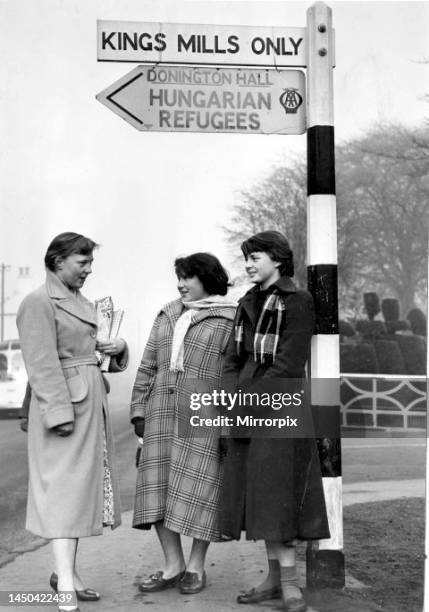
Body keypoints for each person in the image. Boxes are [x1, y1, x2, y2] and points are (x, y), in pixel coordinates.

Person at [16, 232, 128, 612]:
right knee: (64, 491)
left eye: (90, 262)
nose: (88, 270)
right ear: (58, 260)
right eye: (82, 263)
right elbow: (42, 364)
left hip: (86, 401)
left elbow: (89, 352)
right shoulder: (38, 302)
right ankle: (64, 580)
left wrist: (119, 348)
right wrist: (59, 413)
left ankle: (70, 575)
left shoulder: (79, 301)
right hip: (64, 406)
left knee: (78, 491)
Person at [219, 231, 330, 612]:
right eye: (247, 258)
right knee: (262, 496)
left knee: (280, 493)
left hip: (279, 404)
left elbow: (288, 361)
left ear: (278, 260)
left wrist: (249, 400)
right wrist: (231, 396)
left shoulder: (297, 301)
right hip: (247, 404)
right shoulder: (247, 301)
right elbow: (232, 358)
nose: (249, 264)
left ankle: (291, 585)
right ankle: (273, 579)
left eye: (256, 257)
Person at [130, 253, 236, 595]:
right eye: (178, 277)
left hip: (204, 412)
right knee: (157, 487)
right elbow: (147, 366)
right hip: (160, 410)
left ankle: (196, 567)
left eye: (187, 277)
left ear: (207, 278)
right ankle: (172, 565)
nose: (180, 284)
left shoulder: (229, 318)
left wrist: (227, 424)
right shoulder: (166, 315)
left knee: (202, 489)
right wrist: (138, 412)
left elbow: (232, 377)